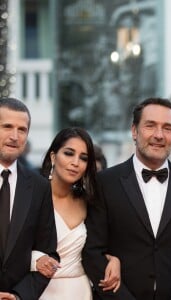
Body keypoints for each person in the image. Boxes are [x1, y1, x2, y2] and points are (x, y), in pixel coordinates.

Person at [82, 97, 171, 300]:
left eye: (168, 128)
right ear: (134, 131)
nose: (159, 135)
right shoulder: (105, 182)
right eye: (150, 126)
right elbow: (92, 251)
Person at [31, 127, 121, 299]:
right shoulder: (32, 197)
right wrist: (36, 260)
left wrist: (114, 259)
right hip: (39, 290)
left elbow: (96, 247)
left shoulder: (89, 202)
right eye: (69, 153)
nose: (75, 162)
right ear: (53, 156)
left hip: (80, 290)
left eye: (83, 158)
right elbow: (12, 247)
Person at [0, 97, 58, 300]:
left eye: (22, 129)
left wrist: (18, 296)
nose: (14, 136)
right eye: (7, 127)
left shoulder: (40, 186)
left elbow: (49, 253)